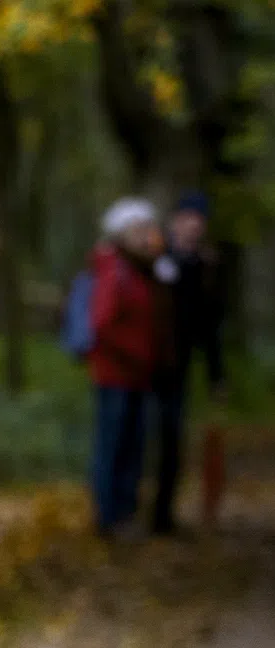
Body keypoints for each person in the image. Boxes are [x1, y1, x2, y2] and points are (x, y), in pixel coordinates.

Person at [86, 198, 167, 536]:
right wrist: (134, 354)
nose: (146, 236)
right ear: (121, 234)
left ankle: (125, 512)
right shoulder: (114, 271)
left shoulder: (142, 271)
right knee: (113, 446)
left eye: (148, 228)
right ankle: (108, 516)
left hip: (137, 377)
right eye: (139, 229)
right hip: (115, 376)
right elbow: (102, 324)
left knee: (133, 447)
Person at [151, 190, 226, 535]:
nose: (193, 228)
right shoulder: (153, 257)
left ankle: (161, 515)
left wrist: (216, 375)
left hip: (177, 367)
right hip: (145, 363)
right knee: (140, 437)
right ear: (176, 221)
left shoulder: (205, 267)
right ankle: (120, 509)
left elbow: (210, 326)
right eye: (188, 221)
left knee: (171, 438)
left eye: (199, 223)